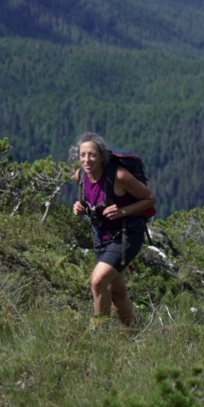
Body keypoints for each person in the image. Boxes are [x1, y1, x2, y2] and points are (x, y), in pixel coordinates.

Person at [70, 132, 156, 328]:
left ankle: (99, 335)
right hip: (101, 238)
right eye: (82, 155)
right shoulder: (80, 177)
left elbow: (150, 199)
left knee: (97, 281)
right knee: (117, 294)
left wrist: (122, 211)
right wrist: (79, 207)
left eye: (92, 155)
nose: (87, 160)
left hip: (127, 236)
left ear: (102, 156)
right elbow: (89, 199)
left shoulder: (119, 176)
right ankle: (134, 331)